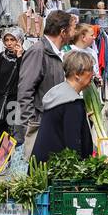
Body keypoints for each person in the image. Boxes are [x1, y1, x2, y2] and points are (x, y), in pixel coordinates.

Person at [18, 10, 74, 151]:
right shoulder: (38, 51)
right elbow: (25, 92)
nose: (75, 32)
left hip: (55, 126)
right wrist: (31, 128)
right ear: (63, 32)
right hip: (41, 127)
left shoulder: (58, 52)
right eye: (73, 28)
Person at [32, 51, 96, 163]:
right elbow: (73, 146)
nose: (93, 73)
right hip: (56, 171)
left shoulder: (59, 92)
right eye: (90, 69)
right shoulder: (72, 103)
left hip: (42, 165)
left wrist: (84, 120)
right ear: (77, 74)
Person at [0, 29, 24, 139]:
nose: (9, 43)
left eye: (12, 39)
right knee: (1, 134)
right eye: (6, 40)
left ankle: (15, 156)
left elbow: (24, 76)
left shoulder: (25, 56)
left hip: (15, 102)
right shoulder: (2, 56)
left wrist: (19, 57)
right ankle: (6, 156)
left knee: (14, 135)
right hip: (0, 100)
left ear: (19, 40)